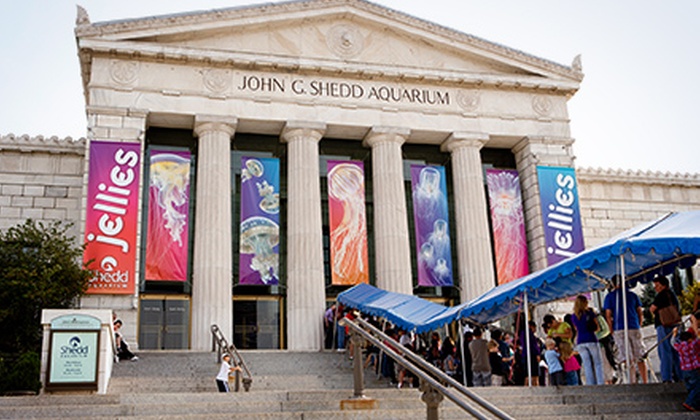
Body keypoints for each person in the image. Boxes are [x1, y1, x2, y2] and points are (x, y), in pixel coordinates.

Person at [604, 275, 647, 383]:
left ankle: (632, 382)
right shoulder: (633, 295)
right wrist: (639, 324)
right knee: (640, 355)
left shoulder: (609, 297)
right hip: (634, 326)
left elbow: (608, 315)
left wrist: (611, 330)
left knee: (627, 358)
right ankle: (645, 380)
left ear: (613, 284)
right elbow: (640, 312)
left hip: (619, 328)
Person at [650, 276, 682, 382]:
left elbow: (652, 309)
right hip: (675, 324)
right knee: (676, 350)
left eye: (657, 286)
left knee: (664, 351)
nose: (656, 288)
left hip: (663, 325)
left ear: (664, 285)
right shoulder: (672, 294)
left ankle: (667, 377)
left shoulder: (661, 295)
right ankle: (679, 375)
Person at [570, 295, 605, 385]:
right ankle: (600, 383)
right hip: (591, 339)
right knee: (597, 363)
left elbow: (576, 329)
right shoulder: (590, 313)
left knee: (587, 364)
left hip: (580, 341)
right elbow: (596, 327)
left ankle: (590, 383)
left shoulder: (573, 316)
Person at [672, 327, 700, 411]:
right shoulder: (692, 346)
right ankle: (689, 402)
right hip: (693, 370)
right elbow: (698, 339)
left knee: (690, 387)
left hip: (684, 371)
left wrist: (674, 334)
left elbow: (673, 342)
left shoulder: (679, 347)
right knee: (697, 387)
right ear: (690, 339)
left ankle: (694, 405)